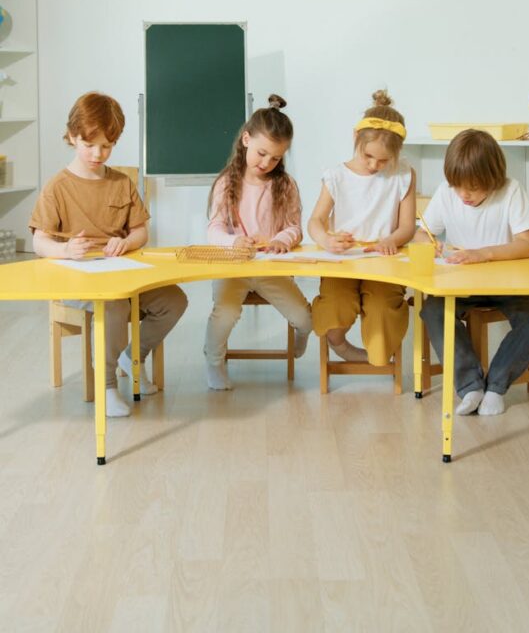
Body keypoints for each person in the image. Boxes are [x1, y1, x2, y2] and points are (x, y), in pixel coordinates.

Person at [30, 91, 188, 418]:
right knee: (114, 302)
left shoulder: (121, 183)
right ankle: (106, 386)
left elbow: (141, 231)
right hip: (77, 279)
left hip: (122, 271)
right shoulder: (57, 186)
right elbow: (39, 242)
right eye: (90, 145)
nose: (98, 154)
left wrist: (127, 242)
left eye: (107, 146)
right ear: (73, 137)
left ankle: (133, 358)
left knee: (174, 300)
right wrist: (66, 250)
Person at [419, 128, 529, 416]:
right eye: (458, 186)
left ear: (494, 178)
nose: (464, 195)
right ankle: (470, 386)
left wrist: (483, 254)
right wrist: (431, 246)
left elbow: (526, 244)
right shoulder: (446, 193)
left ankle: (495, 386)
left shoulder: (511, 190)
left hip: (509, 285)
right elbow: (422, 234)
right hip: (461, 285)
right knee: (433, 310)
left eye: (474, 187)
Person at [204, 94, 312, 390]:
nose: (267, 163)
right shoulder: (228, 182)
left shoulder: (285, 185)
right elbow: (213, 228)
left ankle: (298, 343)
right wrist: (233, 241)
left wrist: (280, 240)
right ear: (246, 139)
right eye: (262, 153)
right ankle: (213, 363)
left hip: (270, 268)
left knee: (305, 319)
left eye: (276, 157)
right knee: (225, 313)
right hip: (233, 267)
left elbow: (294, 227)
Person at [308, 90, 415, 365]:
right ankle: (340, 344)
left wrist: (392, 238)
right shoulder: (336, 176)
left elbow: (407, 227)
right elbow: (315, 221)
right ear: (356, 139)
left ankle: (380, 354)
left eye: (383, 160)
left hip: (384, 261)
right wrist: (326, 240)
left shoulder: (403, 174)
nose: (374, 165)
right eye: (368, 156)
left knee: (381, 310)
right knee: (335, 306)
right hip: (344, 260)